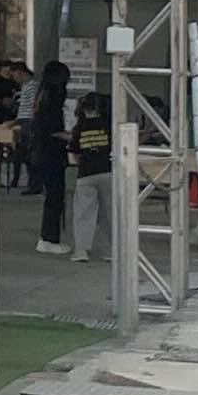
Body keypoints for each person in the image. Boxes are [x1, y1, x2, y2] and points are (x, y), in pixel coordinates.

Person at [26, 57, 73, 253]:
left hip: (43, 152)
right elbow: (52, 130)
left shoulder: (42, 97)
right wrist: (71, 136)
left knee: (53, 197)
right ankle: (49, 239)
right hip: (52, 153)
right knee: (55, 197)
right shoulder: (52, 101)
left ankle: (48, 238)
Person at [68, 78, 115, 262]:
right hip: (107, 172)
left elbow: (74, 153)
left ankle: (81, 251)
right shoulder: (108, 125)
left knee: (83, 214)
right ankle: (112, 250)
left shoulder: (79, 128)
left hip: (86, 174)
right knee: (109, 215)